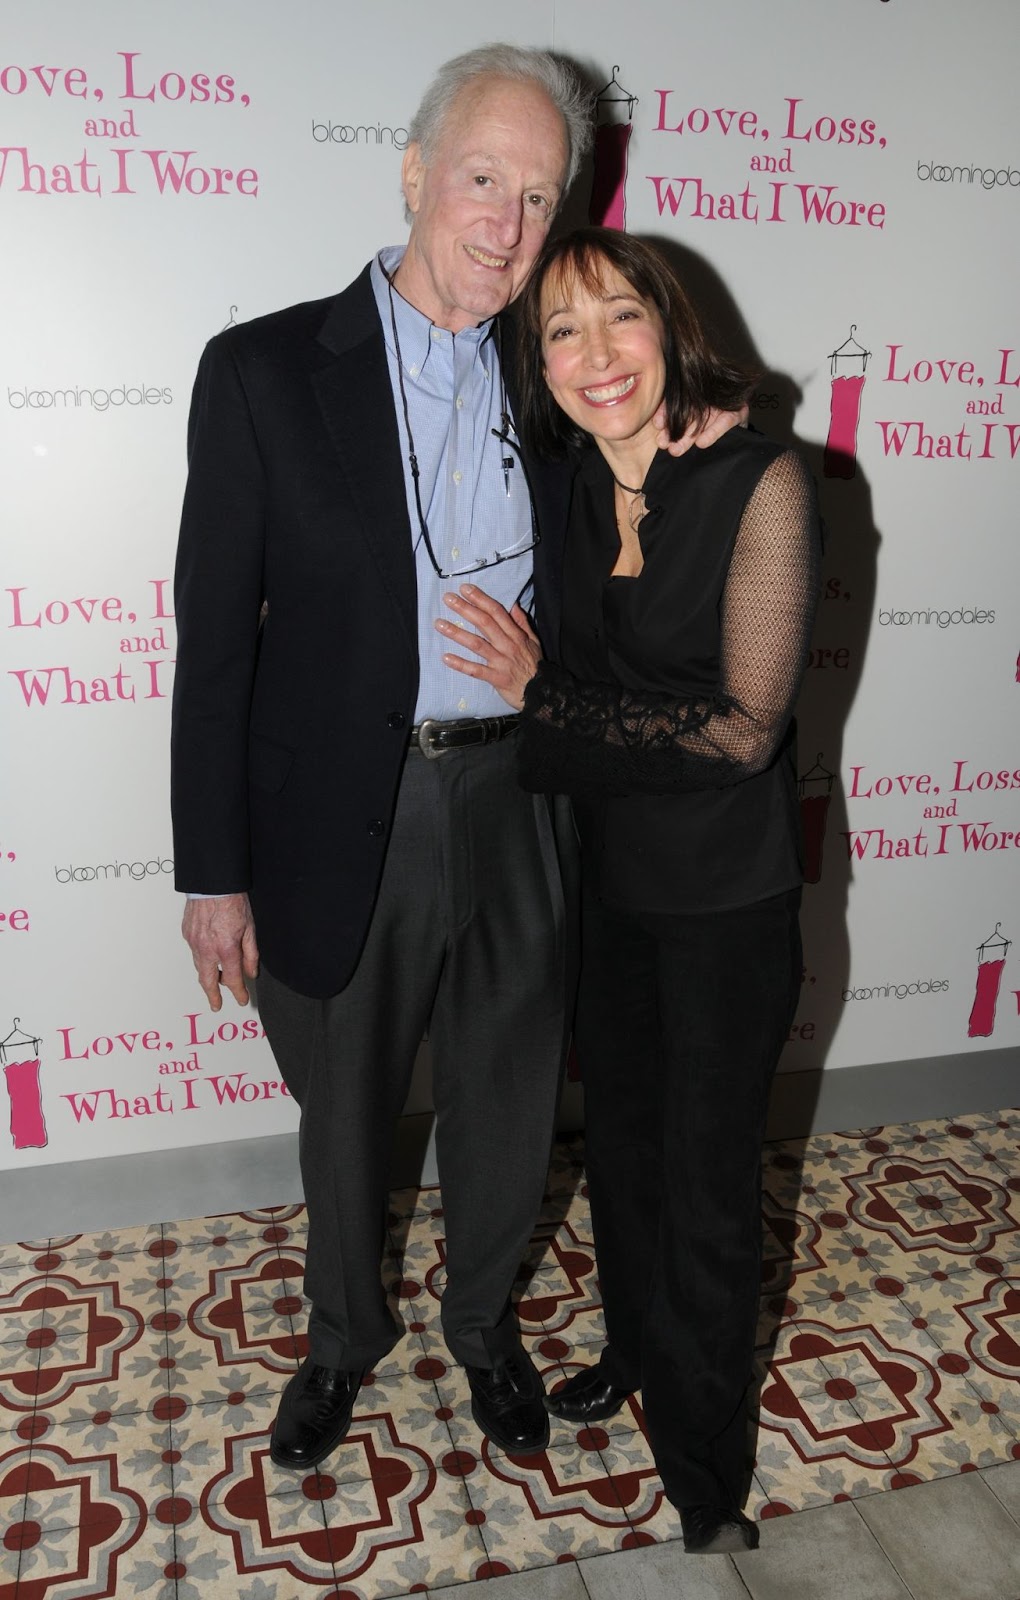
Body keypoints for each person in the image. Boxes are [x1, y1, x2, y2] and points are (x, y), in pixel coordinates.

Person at [171, 51, 737, 1473]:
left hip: (522, 795)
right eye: (484, 178)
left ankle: (485, 1329)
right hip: (340, 814)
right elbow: (213, 649)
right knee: (346, 1121)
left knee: (506, 1094)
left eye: (539, 195)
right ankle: (341, 1341)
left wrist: (712, 448)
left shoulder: (559, 374)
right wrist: (211, 874)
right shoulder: (262, 371)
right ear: (416, 173)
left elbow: (670, 506)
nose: (507, 220)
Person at [434, 227, 821, 1553]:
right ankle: (640, 1357)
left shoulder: (760, 480)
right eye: (562, 332)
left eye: (622, 320)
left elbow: (742, 729)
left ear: (672, 324)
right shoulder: (559, 472)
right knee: (627, 1159)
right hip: (606, 882)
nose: (597, 357)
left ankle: (706, 1466)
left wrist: (541, 692)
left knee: (707, 1187)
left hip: (725, 901)